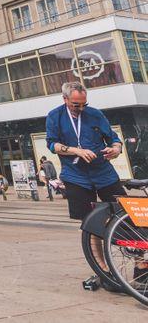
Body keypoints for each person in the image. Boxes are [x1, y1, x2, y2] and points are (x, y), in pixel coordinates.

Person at [46, 82, 123, 271]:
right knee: (91, 222)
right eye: (75, 105)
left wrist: (116, 149)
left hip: (104, 173)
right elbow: (52, 144)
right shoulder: (54, 116)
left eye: (83, 104)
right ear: (65, 99)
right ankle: (102, 268)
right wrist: (76, 151)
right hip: (76, 177)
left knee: (125, 213)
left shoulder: (95, 114)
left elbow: (114, 139)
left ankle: (139, 261)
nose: (80, 108)